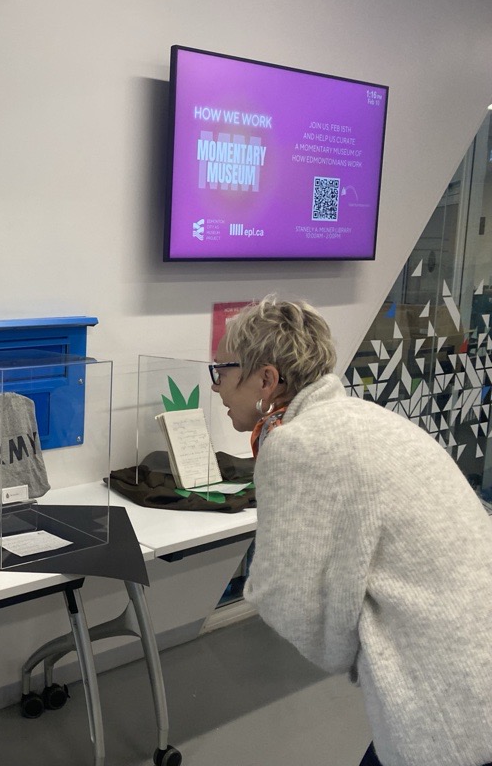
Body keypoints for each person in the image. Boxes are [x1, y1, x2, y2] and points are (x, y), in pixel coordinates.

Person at [210, 295, 492, 766]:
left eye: (222, 371)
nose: (217, 388)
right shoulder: (362, 418)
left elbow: (291, 602)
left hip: (450, 695)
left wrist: (355, 651)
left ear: (266, 379)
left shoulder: (295, 443)